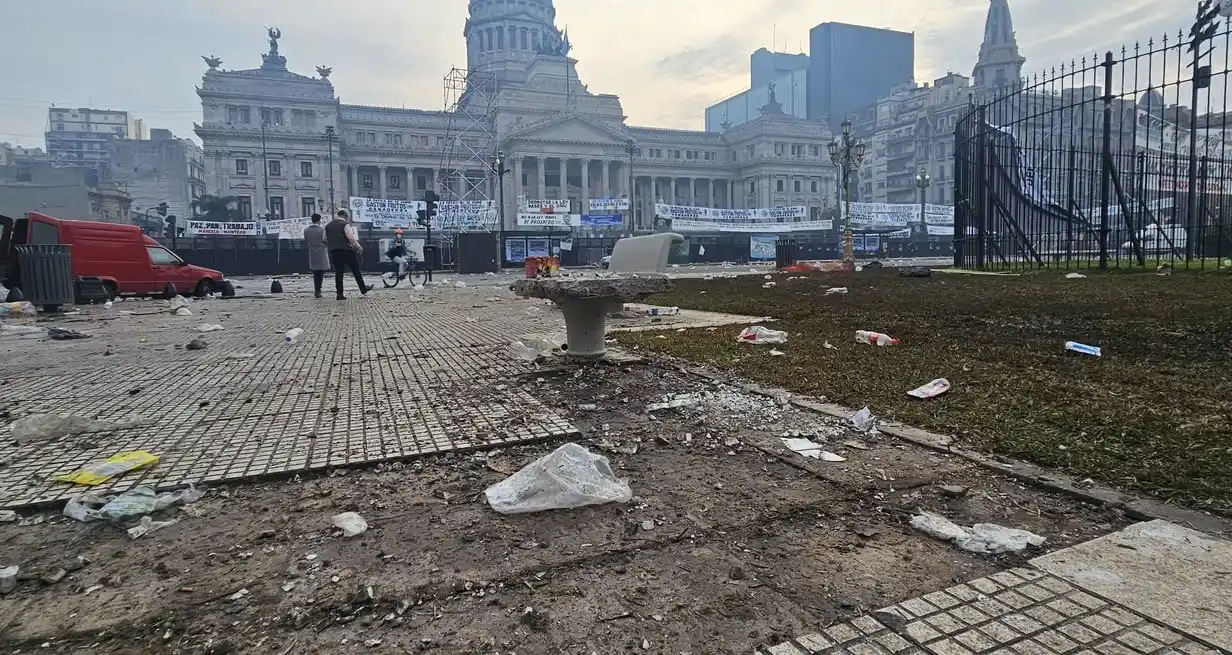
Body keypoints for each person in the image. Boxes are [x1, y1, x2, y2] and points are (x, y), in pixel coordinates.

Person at [324, 209, 371, 299]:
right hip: (347, 251)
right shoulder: (345, 224)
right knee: (356, 270)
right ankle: (363, 289)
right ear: (346, 216)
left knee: (339, 272)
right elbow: (350, 237)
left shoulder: (328, 226)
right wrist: (358, 247)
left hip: (334, 251)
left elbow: (324, 238)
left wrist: (333, 244)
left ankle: (339, 294)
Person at [303, 214, 331, 298]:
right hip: (321, 252)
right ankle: (318, 290)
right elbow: (326, 240)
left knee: (315, 272)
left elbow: (306, 240)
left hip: (312, 252)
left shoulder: (306, 230)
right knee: (321, 272)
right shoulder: (322, 230)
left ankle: (316, 290)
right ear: (319, 220)